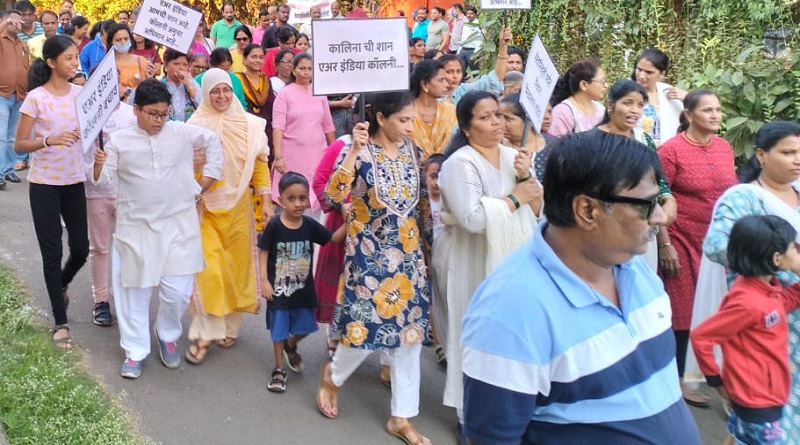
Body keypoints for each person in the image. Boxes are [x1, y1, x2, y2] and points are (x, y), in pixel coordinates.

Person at [461, 130, 702, 445]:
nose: (659, 217)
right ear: (588, 211)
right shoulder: (509, 314)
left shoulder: (635, 269)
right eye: (646, 205)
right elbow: (492, 439)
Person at [318, 91, 432, 445]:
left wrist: (428, 250)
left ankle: (402, 416)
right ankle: (332, 377)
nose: (410, 127)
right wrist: (352, 150)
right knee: (363, 330)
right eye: (404, 120)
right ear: (381, 118)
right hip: (369, 260)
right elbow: (334, 197)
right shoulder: (361, 154)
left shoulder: (415, 153)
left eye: (412, 120)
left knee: (409, 339)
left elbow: (423, 207)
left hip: (409, 260)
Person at [92, 78, 223, 379]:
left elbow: (213, 142)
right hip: (135, 227)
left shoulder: (180, 132)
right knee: (133, 293)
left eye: (164, 114)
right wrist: (99, 163)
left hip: (179, 226)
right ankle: (135, 350)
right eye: (152, 114)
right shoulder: (119, 140)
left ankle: (167, 335)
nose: (159, 121)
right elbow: (100, 179)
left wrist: (206, 180)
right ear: (136, 109)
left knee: (177, 293)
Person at [432, 91, 539, 436]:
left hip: (510, 258)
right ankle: (469, 415)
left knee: (507, 333)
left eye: (499, 115)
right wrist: (514, 198)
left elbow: (537, 209)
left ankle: (508, 407)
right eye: (486, 117)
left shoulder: (515, 156)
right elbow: (473, 220)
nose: (497, 123)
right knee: (470, 331)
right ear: (466, 127)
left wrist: (526, 179)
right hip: (467, 256)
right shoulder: (459, 164)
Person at [702, 121, 800, 443]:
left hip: (790, 308)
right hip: (764, 326)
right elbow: (718, 245)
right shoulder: (744, 198)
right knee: (768, 421)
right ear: (761, 154)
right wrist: (781, 258)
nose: (797, 159)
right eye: (788, 152)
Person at [184, 68, 273, 364]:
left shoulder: (249, 125)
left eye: (226, 90)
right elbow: (183, 167)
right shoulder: (194, 125)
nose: (221, 97)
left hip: (239, 208)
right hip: (204, 207)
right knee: (208, 269)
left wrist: (266, 197)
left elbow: (260, 163)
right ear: (205, 93)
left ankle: (230, 326)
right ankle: (206, 332)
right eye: (214, 92)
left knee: (236, 268)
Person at [657, 88, 738, 406]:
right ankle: (678, 380)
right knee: (683, 313)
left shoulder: (723, 147)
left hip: (719, 243)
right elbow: (660, 198)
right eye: (707, 110)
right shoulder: (671, 151)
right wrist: (665, 244)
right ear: (689, 115)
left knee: (721, 309)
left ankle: (718, 372)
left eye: (718, 109)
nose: (715, 115)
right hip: (681, 239)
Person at [693, 215, 800, 445]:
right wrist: (716, 382)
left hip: (765, 393)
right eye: (794, 248)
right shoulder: (747, 301)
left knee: (739, 435)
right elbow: (701, 336)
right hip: (758, 399)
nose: (797, 252)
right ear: (777, 258)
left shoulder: (765, 288)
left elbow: (780, 304)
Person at [15, 33, 88, 349]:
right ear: (51, 62)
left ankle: (60, 284)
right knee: (52, 252)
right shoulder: (36, 98)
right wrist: (49, 140)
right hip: (44, 185)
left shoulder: (81, 94)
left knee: (82, 248)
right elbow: (19, 144)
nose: (75, 63)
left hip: (75, 181)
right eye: (69, 58)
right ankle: (61, 322)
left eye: (76, 57)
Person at [258, 172, 345, 392]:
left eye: (302, 198)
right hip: (278, 292)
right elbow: (263, 251)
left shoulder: (309, 225)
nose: (298, 204)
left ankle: (291, 344)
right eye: (291, 198)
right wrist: (264, 281)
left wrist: (351, 222)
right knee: (278, 331)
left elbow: (332, 238)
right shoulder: (275, 226)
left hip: (302, 291)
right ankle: (278, 369)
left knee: (307, 326)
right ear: (281, 199)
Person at [593, 80, 677, 270]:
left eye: (640, 105)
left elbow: (659, 184)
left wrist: (668, 201)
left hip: (643, 231)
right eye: (627, 103)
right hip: (607, 230)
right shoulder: (593, 141)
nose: (634, 111)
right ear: (610, 106)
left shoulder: (643, 139)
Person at [83, 102, 137, 327]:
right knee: (100, 248)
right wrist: (96, 164)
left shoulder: (131, 113)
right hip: (96, 192)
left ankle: (129, 299)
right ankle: (101, 300)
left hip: (128, 192)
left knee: (131, 247)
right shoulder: (86, 115)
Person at [272, 53, 335, 217]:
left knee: (316, 197)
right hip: (292, 155)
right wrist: (278, 157)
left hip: (318, 154)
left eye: (309, 69)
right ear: (294, 70)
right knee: (293, 195)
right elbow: (278, 127)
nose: (306, 72)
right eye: (302, 68)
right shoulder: (284, 94)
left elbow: (328, 126)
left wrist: (335, 154)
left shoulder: (320, 93)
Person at [438, 27, 511, 105]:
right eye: (449, 72)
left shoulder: (462, 91)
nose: (455, 76)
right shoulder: (432, 98)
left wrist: (503, 45)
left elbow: (494, 79)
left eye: (458, 71)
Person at [129, 49, 202, 122]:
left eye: (185, 64)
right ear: (166, 67)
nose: (181, 68)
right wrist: (147, 81)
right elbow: (132, 102)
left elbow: (203, 105)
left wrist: (188, 84)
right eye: (176, 64)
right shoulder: (158, 85)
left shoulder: (192, 84)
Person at [633, 48, 686, 146]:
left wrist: (688, 98)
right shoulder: (626, 92)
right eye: (639, 69)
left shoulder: (669, 93)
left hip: (666, 154)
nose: (641, 76)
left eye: (649, 72)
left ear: (662, 74)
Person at [0, 9, 29, 189]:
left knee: (11, 137)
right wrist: (5, 24)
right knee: (1, 136)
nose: (17, 23)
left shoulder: (22, 44)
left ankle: (8, 169)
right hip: (2, 95)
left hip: (18, 95)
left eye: (19, 21)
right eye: (13, 20)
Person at [409, 60, 456, 159]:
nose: (447, 85)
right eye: (441, 80)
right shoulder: (406, 114)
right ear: (425, 84)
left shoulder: (451, 111)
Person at [236, 44, 276, 159]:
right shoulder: (237, 80)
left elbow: (271, 106)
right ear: (244, 59)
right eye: (253, 57)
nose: (258, 60)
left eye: (261, 57)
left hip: (266, 131)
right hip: (245, 132)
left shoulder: (266, 80)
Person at [548, 59, 607, 136]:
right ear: (584, 85)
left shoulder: (600, 109)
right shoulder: (563, 112)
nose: (606, 85)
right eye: (602, 82)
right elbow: (555, 145)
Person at [500, 93, 552, 179]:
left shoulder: (552, 148)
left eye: (508, 119)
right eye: (500, 117)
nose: (501, 123)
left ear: (530, 121)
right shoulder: (496, 146)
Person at [107, 24, 151, 103]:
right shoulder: (107, 64)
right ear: (111, 42)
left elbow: (148, 88)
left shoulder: (141, 61)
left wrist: (149, 78)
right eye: (118, 40)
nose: (123, 42)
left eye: (126, 39)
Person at [457, 7, 481, 73]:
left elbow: (480, 39)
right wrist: (459, 51)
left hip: (472, 51)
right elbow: (463, 38)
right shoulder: (466, 23)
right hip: (463, 50)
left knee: (475, 71)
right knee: (461, 71)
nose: (469, 15)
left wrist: (476, 53)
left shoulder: (479, 24)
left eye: (471, 13)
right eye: (467, 13)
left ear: (476, 14)